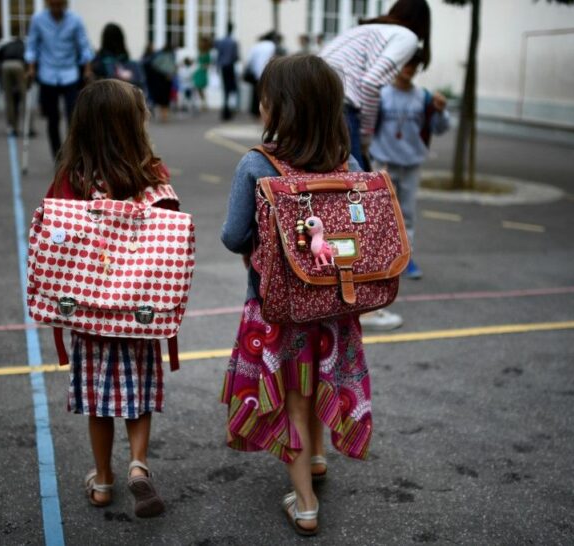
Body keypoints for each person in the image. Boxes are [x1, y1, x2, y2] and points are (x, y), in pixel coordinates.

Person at [220, 54, 370, 537]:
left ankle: (304, 503)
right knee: (321, 379)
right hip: (335, 302)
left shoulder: (256, 164)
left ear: (277, 108)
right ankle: (319, 458)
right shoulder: (348, 162)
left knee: (293, 397)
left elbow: (233, 234)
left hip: (278, 307)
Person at [44, 79, 177, 517]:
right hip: (139, 310)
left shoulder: (73, 179)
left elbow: (53, 238)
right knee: (137, 394)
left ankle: (102, 480)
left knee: (98, 403)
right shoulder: (151, 174)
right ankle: (138, 464)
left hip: (90, 310)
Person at [320, 0, 430, 331]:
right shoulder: (406, 37)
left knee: (326, 202)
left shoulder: (364, 30)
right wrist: (365, 134)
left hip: (316, 102)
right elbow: (369, 84)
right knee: (358, 208)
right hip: (342, 109)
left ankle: (324, 296)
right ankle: (363, 306)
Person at [371, 51, 450, 282]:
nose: (410, 69)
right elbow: (368, 126)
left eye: (415, 64)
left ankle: (406, 258)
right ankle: (379, 258)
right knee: (381, 212)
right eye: (406, 63)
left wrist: (441, 110)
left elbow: (440, 128)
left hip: (412, 162)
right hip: (383, 160)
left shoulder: (423, 97)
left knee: (407, 214)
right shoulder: (381, 95)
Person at [25, 0, 94, 158]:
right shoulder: (38, 19)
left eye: (59, 4)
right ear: (48, 4)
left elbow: (84, 46)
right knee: (52, 118)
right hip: (47, 74)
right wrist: (31, 68)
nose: (56, 8)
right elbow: (32, 46)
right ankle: (57, 156)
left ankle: (74, 155)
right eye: (53, 4)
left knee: (73, 117)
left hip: (70, 73)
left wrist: (87, 69)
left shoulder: (75, 20)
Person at [92, 23, 146, 96]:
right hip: (127, 99)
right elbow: (141, 87)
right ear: (121, 39)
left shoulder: (99, 62)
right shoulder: (131, 64)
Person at [0, 36, 28, 135]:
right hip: (19, 65)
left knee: (9, 99)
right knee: (24, 98)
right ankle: (28, 127)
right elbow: (29, 59)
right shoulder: (24, 46)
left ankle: (12, 127)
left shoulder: (7, 45)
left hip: (6, 65)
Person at [244, 31, 278, 118]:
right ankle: (266, 112)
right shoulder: (271, 45)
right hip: (268, 72)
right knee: (266, 94)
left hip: (256, 73)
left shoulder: (256, 46)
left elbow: (249, 60)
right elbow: (273, 58)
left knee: (255, 94)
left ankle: (255, 112)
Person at [214, 22, 239, 121]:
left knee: (225, 88)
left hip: (223, 67)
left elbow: (218, 55)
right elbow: (235, 56)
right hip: (230, 66)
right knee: (231, 88)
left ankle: (226, 109)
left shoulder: (221, 41)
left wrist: (217, 67)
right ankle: (229, 109)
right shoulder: (233, 42)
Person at [146, 43, 175, 122]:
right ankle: (164, 115)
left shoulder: (159, 56)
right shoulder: (169, 56)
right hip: (166, 79)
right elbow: (171, 67)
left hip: (161, 79)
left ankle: (163, 115)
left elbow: (154, 65)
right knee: (165, 98)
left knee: (162, 97)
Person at [192, 36, 211, 110]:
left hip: (202, 72)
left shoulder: (207, 53)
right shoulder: (199, 52)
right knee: (198, 88)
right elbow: (196, 60)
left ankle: (204, 104)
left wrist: (203, 66)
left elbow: (208, 64)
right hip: (198, 71)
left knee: (201, 88)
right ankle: (203, 103)